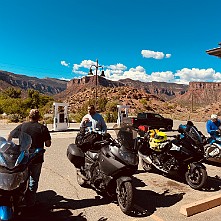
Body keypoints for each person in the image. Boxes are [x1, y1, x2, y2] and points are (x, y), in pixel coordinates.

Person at [8, 109, 51, 207]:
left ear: (29, 116)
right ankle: (30, 202)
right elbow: (48, 144)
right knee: (33, 180)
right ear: (38, 117)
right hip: (36, 157)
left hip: (23, 157)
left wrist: (9, 144)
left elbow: (10, 135)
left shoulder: (22, 126)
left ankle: (19, 199)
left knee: (20, 177)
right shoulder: (42, 128)